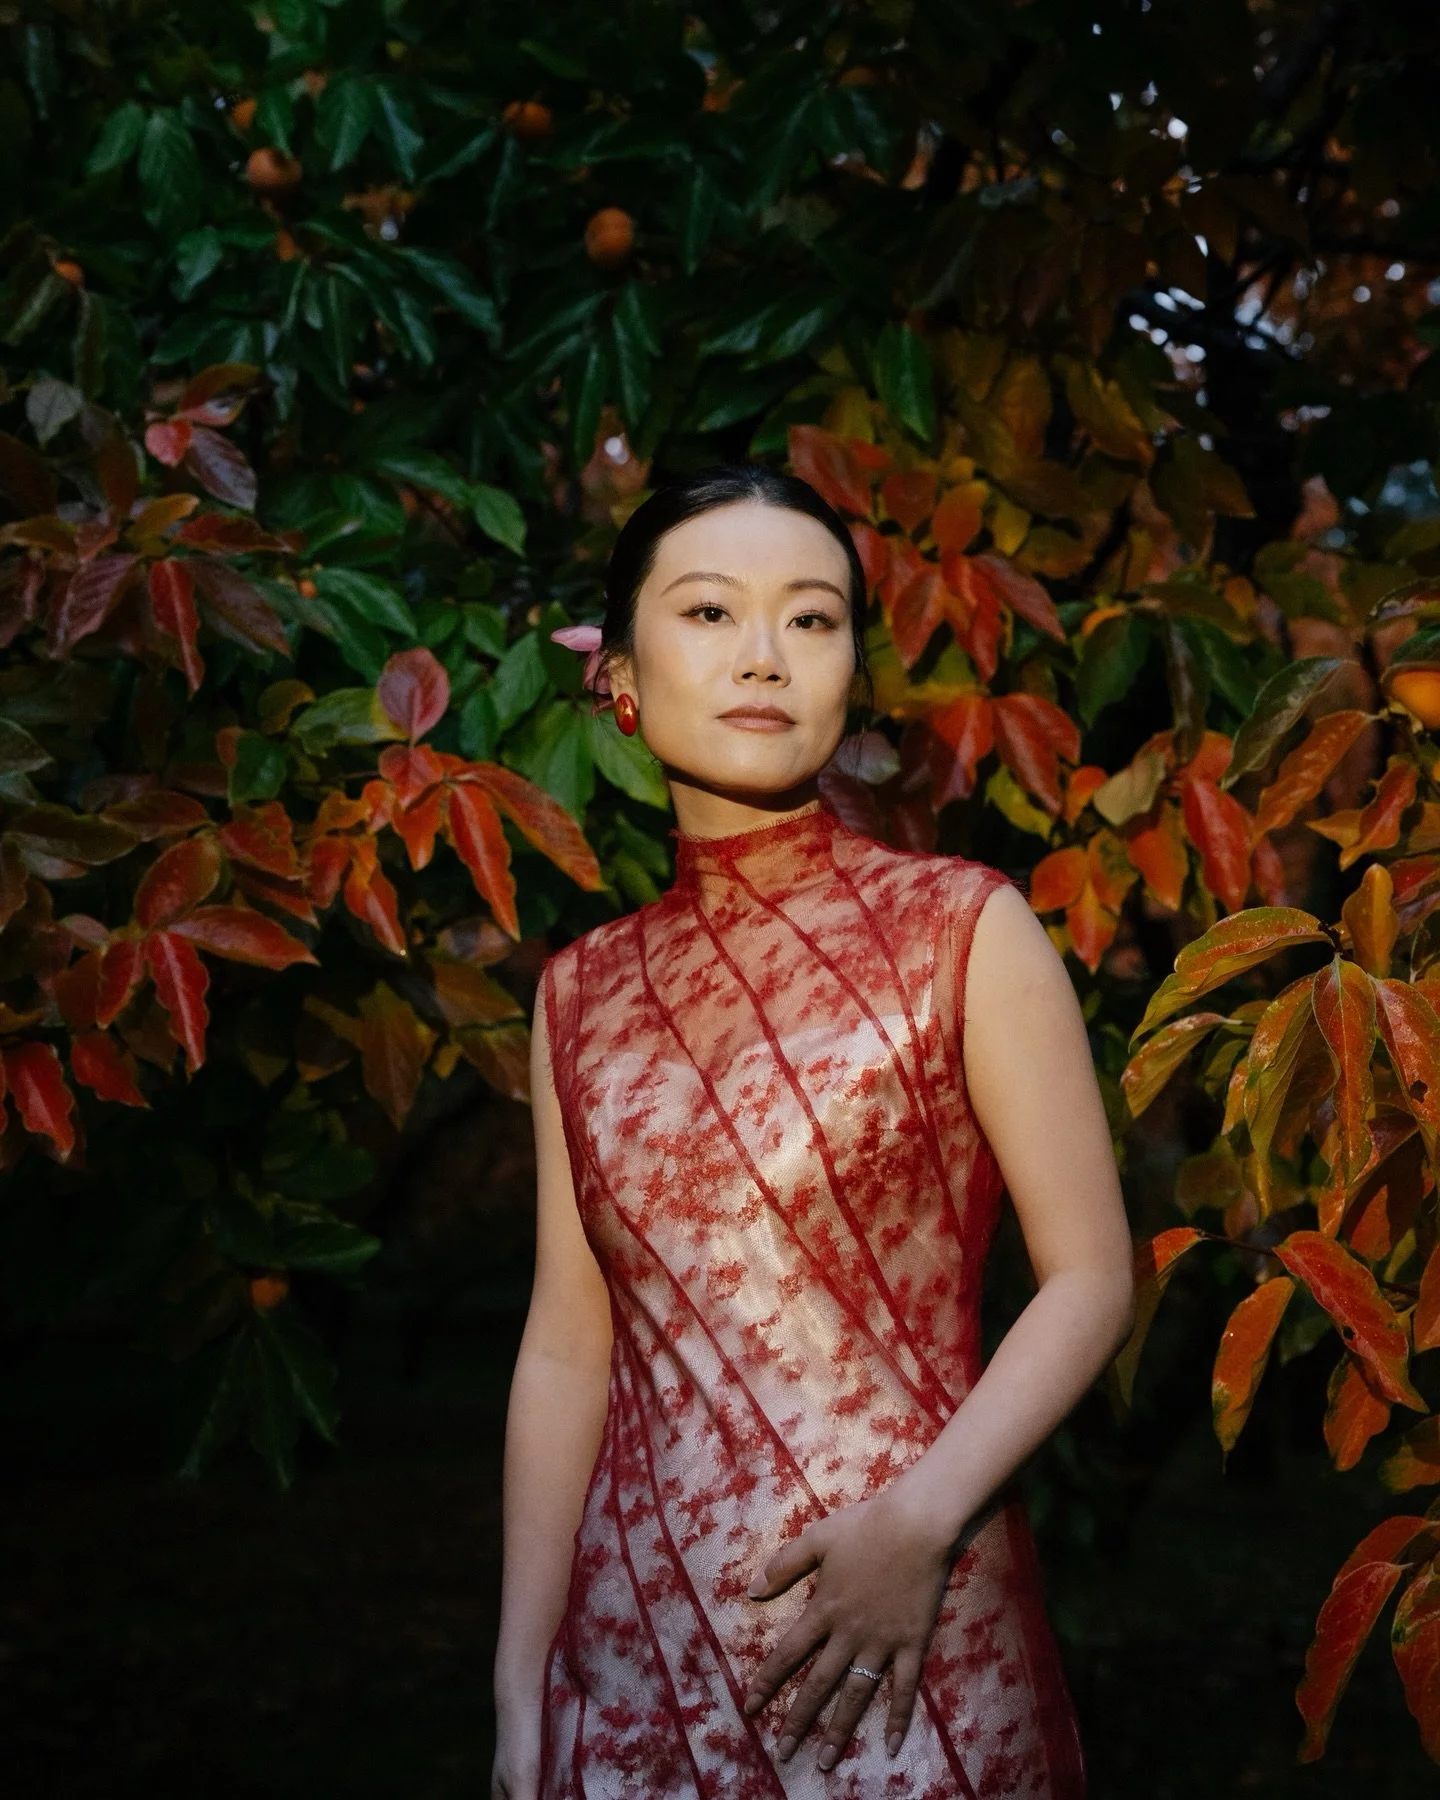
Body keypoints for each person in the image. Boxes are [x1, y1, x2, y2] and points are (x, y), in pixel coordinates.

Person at [491, 464, 1134, 1799]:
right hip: (628, 1666)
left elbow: (1089, 1277)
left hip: (900, 1636)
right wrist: (519, 1675)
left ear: (850, 677)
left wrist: (919, 1522)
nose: (766, 656)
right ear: (615, 677)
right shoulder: (577, 991)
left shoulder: (966, 927)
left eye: (813, 618)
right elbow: (567, 1340)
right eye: (712, 612)